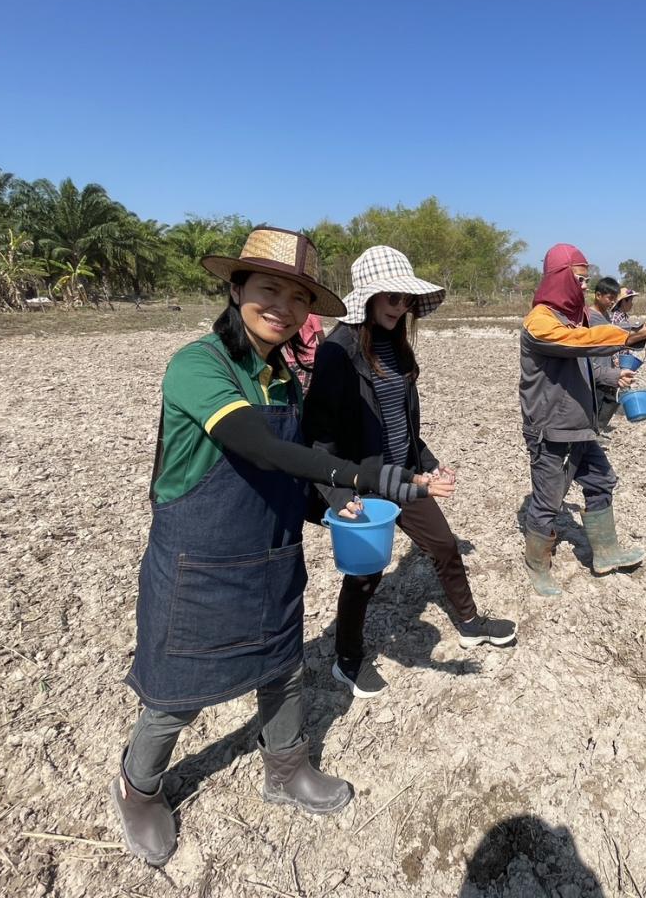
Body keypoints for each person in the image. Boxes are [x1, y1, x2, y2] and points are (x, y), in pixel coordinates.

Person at [111, 227, 431, 867]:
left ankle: (285, 769)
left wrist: (336, 506)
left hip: (271, 554)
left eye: (297, 295)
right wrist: (358, 474)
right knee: (176, 694)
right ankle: (138, 786)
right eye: (267, 288)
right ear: (235, 289)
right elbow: (257, 445)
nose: (282, 306)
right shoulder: (198, 365)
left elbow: (285, 473)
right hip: (197, 564)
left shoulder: (284, 376)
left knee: (283, 673)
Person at [303, 246, 516, 698]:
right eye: (393, 298)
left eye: (406, 300)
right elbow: (319, 440)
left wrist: (427, 461)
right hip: (364, 483)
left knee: (443, 545)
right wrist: (341, 498)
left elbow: (401, 422)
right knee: (363, 575)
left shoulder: (397, 345)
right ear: (368, 297)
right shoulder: (336, 353)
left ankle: (470, 623)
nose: (401, 307)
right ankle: (347, 659)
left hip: (405, 475)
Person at [519, 244, 646, 596]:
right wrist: (643, 330)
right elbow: (580, 343)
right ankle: (536, 563)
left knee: (601, 480)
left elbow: (590, 359)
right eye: (579, 279)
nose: (583, 287)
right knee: (549, 500)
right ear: (560, 278)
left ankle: (606, 552)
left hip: (579, 424)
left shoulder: (575, 319)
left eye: (585, 280)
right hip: (552, 428)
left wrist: (614, 377)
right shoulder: (541, 322)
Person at [587, 277, 630, 430]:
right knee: (594, 404)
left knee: (611, 399)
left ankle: (596, 432)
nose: (612, 302)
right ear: (598, 295)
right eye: (610, 298)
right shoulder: (589, 317)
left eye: (614, 299)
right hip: (594, 369)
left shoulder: (606, 316)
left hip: (607, 367)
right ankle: (588, 438)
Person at [282, 313, 325, 394]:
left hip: (290, 359)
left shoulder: (290, 315)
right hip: (308, 361)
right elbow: (322, 340)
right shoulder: (313, 316)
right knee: (304, 391)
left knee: (291, 390)